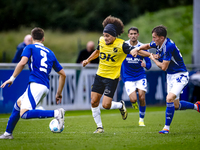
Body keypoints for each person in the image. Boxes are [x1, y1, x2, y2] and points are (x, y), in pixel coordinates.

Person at [82, 16, 150, 133]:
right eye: (104, 35)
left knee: (106, 105)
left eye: (108, 36)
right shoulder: (101, 40)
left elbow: (137, 50)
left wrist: (150, 55)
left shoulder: (121, 45)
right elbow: (98, 51)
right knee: (93, 101)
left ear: (114, 36)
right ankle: (99, 127)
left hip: (112, 78)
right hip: (99, 76)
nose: (105, 38)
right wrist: (87, 60)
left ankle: (120, 105)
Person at [131, 25, 200, 134]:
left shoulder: (169, 46)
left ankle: (166, 128)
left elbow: (163, 67)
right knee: (175, 106)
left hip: (180, 75)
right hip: (170, 76)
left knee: (169, 99)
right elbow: (148, 46)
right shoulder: (159, 43)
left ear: (161, 37)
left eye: (155, 37)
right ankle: (196, 106)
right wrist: (137, 48)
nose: (153, 39)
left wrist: (152, 58)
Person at [0, 27, 66, 139]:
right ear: (43, 39)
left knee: (24, 114)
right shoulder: (50, 52)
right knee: (18, 104)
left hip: (36, 84)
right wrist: (59, 93)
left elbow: (22, 63)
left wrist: (12, 78)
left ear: (31, 38)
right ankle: (8, 133)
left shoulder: (29, 47)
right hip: (44, 86)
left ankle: (56, 113)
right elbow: (63, 74)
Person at [121, 27, 152, 127]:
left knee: (142, 97)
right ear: (128, 35)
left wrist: (145, 65)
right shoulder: (124, 46)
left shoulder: (142, 47)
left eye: (135, 33)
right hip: (128, 76)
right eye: (131, 34)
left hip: (140, 75)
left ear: (138, 35)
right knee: (133, 99)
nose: (133, 35)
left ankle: (141, 119)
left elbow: (149, 64)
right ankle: (134, 102)